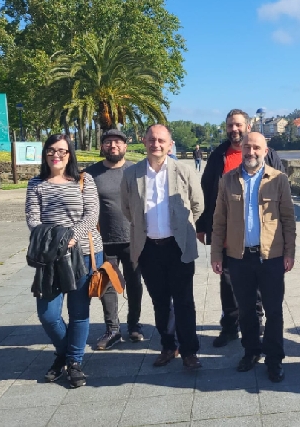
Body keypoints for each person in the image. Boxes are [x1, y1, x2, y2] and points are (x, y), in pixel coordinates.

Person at [211, 132, 296, 382]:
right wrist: (217, 253)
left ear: (265, 150)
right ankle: (250, 351)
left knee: (274, 310)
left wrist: (289, 252)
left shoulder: (278, 179)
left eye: (256, 148)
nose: (251, 152)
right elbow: (219, 221)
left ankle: (274, 358)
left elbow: (289, 219)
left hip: (271, 257)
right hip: (239, 258)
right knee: (246, 310)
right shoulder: (228, 180)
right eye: (247, 147)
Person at [196, 109, 284, 348]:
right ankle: (230, 326)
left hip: (262, 237)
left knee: (259, 290)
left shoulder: (269, 155)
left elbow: (282, 195)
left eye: (237, 125)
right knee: (228, 284)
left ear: (248, 126)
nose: (233, 129)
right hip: (228, 236)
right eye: (229, 126)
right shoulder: (219, 156)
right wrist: (204, 224)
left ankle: (256, 326)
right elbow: (209, 193)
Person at [120, 124, 204, 369]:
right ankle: (169, 346)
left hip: (178, 247)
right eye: (151, 140)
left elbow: (197, 205)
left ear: (170, 145)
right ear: (144, 142)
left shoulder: (184, 171)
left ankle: (189, 351)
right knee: (159, 301)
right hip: (148, 248)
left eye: (161, 140)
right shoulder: (131, 174)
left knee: (184, 301)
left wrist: (181, 227)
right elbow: (128, 209)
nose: (156, 144)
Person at [25, 134, 104, 388]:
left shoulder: (84, 180)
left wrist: (70, 237)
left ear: (70, 154)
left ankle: (74, 362)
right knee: (48, 314)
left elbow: (91, 215)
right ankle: (64, 352)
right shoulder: (36, 184)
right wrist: (56, 242)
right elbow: (33, 219)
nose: (55, 155)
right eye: (50, 150)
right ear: (44, 154)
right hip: (49, 257)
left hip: (82, 252)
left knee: (79, 312)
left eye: (62, 150)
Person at [85, 129, 144, 349]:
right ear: (102, 147)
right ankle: (112, 329)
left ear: (125, 146)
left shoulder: (136, 171)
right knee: (107, 284)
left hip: (133, 238)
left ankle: (135, 324)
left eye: (117, 142)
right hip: (103, 240)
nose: (113, 146)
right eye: (108, 142)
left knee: (134, 283)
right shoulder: (90, 174)